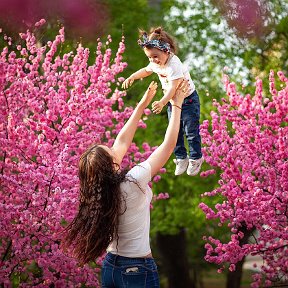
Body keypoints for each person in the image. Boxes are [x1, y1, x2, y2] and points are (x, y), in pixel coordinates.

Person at [63, 80, 189, 288]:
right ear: (111, 163)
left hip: (111, 267)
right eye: (111, 150)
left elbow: (121, 142)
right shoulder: (133, 181)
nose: (115, 148)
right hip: (137, 270)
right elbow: (167, 147)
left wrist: (141, 105)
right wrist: (177, 104)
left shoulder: (97, 192)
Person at [122, 26, 204, 176]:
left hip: (188, 100)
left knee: (190, 131)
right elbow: (146, 70)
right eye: (149, 57)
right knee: (175, 131)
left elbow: (173, 88)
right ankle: (181, 158)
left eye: (155, 56)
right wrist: (133, 76)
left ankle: (196, 157)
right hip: (173, 102)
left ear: (166, 51)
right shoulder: (155, 63)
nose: (153, 60)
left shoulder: (174, 65)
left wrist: (161, 102)